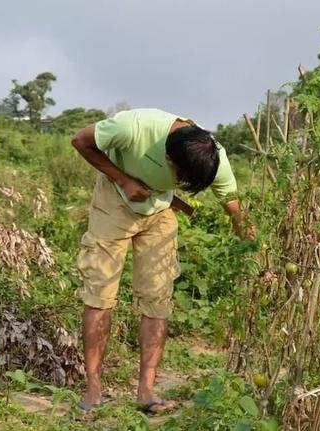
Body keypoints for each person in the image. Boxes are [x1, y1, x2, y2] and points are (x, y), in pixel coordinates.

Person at [71, 108, 252, 414]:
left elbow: (234, 210)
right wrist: (124, 179)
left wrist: (255, 254)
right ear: (169, 161)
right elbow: (80, 141)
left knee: (157, 299)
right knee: (100, 296)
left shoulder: (212, 156)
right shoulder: (133, 127)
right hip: (114, 201)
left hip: (159, 212)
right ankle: (94, 389)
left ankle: (147, 391)